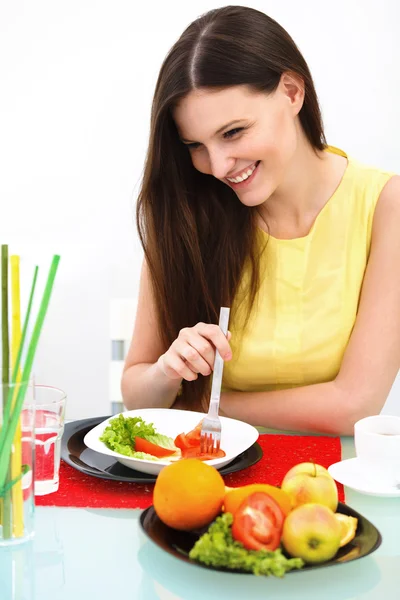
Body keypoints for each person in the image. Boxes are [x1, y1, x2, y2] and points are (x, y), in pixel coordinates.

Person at [121, 5, 400, 435]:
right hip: (206, 478)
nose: (217, 166)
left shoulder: (387, 205)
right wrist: (167, 371)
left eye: (233, 132)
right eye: (195, 145)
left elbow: (355, 404)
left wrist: (200, 403)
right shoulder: (186, 214)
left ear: (291, 92)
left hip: (330, 488)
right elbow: (138, 394)